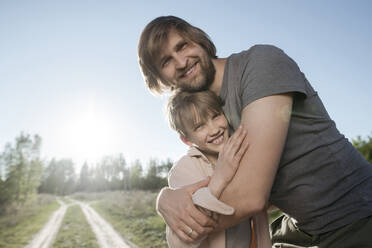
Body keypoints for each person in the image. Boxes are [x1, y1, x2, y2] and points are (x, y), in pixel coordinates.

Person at [138, 16, 372, 247]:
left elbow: (250, 197)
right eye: (166, 61)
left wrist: (177, 219)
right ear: (159, 79)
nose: (181, 62)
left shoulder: (260, 65)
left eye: (183, 46)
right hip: (302, 227)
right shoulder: (214, 120)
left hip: (355, 214)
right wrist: (165, 199)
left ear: (199, 40)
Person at [165, 90, 271, 248]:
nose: (214, 130)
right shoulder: (183, 170)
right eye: (200, 126)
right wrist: (220, 176)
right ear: (186, 139)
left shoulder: (241, 154)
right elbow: (186, 235)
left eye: (215, 116)